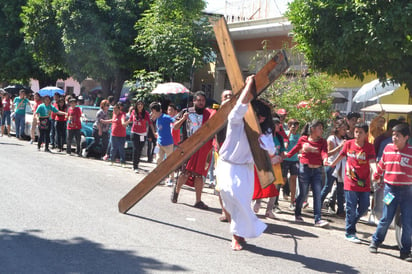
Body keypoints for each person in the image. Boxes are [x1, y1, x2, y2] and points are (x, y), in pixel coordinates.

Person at [216, 75, 273, 251]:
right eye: (258, 115)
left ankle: (237, 237)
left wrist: (264, 142)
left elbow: (271, 151)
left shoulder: (264, 133)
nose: (260, 119)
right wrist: (248, 87)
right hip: (226, 165)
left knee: (241, 202)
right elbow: (240, 106)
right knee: (228, 195)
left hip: (246, 170)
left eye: (263, 117)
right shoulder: (236, 122)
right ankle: (240, 232)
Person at [369, 123, 412, 262]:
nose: (394, 138)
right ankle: (375, 242)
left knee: (407, 222)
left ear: (406, 137)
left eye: (397, 136)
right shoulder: (387, 148)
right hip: (390, 190)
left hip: (407, 192)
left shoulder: (411, 152)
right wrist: (376, 176)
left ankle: (405, 251)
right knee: (386, 218)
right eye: (393, 135)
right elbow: (382, 164)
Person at [330, 123, 376, 243]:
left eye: (361, 132)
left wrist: (376, 172)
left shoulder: (369, 147)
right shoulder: (348, 144)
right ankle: (350, 232)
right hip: (350, 181)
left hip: (364, 183)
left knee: (364, 208)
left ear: (366, 134)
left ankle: (350, 223)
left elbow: (372, 161)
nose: (358, 134)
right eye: (356, 132)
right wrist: (332, 164)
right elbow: (341, 155)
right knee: (351, 207)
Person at [172, 91, 215, 209]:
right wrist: (183, 119)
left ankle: (198, 200)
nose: (201, 103)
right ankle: (176, 191)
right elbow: (175, 127)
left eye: (203, 101)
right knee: (185, 172)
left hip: (202, 148)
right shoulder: (186, 112)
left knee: (199, 175)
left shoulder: (209, 114)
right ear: (194, 101)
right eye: (199, 100)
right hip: (188, 146)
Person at [286, 120, 329, 227]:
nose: (321, 130)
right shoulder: (303, 139)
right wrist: (286, 156)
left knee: (317, 194)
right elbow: (295, 149)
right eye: (319, 128)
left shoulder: (323, 141)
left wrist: (325, 160)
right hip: (304, 169)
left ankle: (318, 219)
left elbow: (324, 152)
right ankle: (297, 214)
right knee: (303, 193)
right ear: (313, 129)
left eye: (322, 128)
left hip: (317, 171)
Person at [253, 115, 282, 219]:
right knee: (262, 183)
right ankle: (257, 204)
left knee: (275, 188)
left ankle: (269, 210)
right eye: (276, 124)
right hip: (264, 163)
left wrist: (279, 157)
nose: (278, 126)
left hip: (276, 165)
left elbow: (282, 151)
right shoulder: (265, 134)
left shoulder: (279, 137)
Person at [320, 119, 347, 216]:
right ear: (338, 129)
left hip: (341, 166)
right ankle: (318, 204)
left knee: (340, 189)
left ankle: (340, 210)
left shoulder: (343, 139)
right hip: (332, 164)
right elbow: (328, 153)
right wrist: (340, 147)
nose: (345, 131)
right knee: (328, 186)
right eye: (343, 129)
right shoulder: (332, 138)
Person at [129, 100, 155, 172]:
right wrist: (124, 123)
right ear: (136, 105)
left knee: (140, 149)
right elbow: (130, 120)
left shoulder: (146, 113)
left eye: (141, 104)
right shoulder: (134, 112)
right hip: (134, 133)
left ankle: (137, 163)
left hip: (142, 134)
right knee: (135, 149)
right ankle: (135, 166)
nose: (140, 106)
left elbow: (150, 123)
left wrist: (154, 132)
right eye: (138, 104)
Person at [282, 118, 300, 210]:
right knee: (283, 179)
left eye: (295, 124)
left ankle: (292, 201)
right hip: (285, 159)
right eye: (292, 124)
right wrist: (289, 133)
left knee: (293, 179)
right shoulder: (285, 133)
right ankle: (277, 197)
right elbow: (285, 143)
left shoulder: (298, 136)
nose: (294, 126)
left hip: (295, 160)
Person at [149, 102, 174, 167]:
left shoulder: (165, 117)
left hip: (168, 143)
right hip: (159, 144)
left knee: (170, 162)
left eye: (153, 111)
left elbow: (174, 121)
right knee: (158, 160)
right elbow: (159, 129)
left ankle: (171, 176)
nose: (152, 113)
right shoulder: (157, 118)